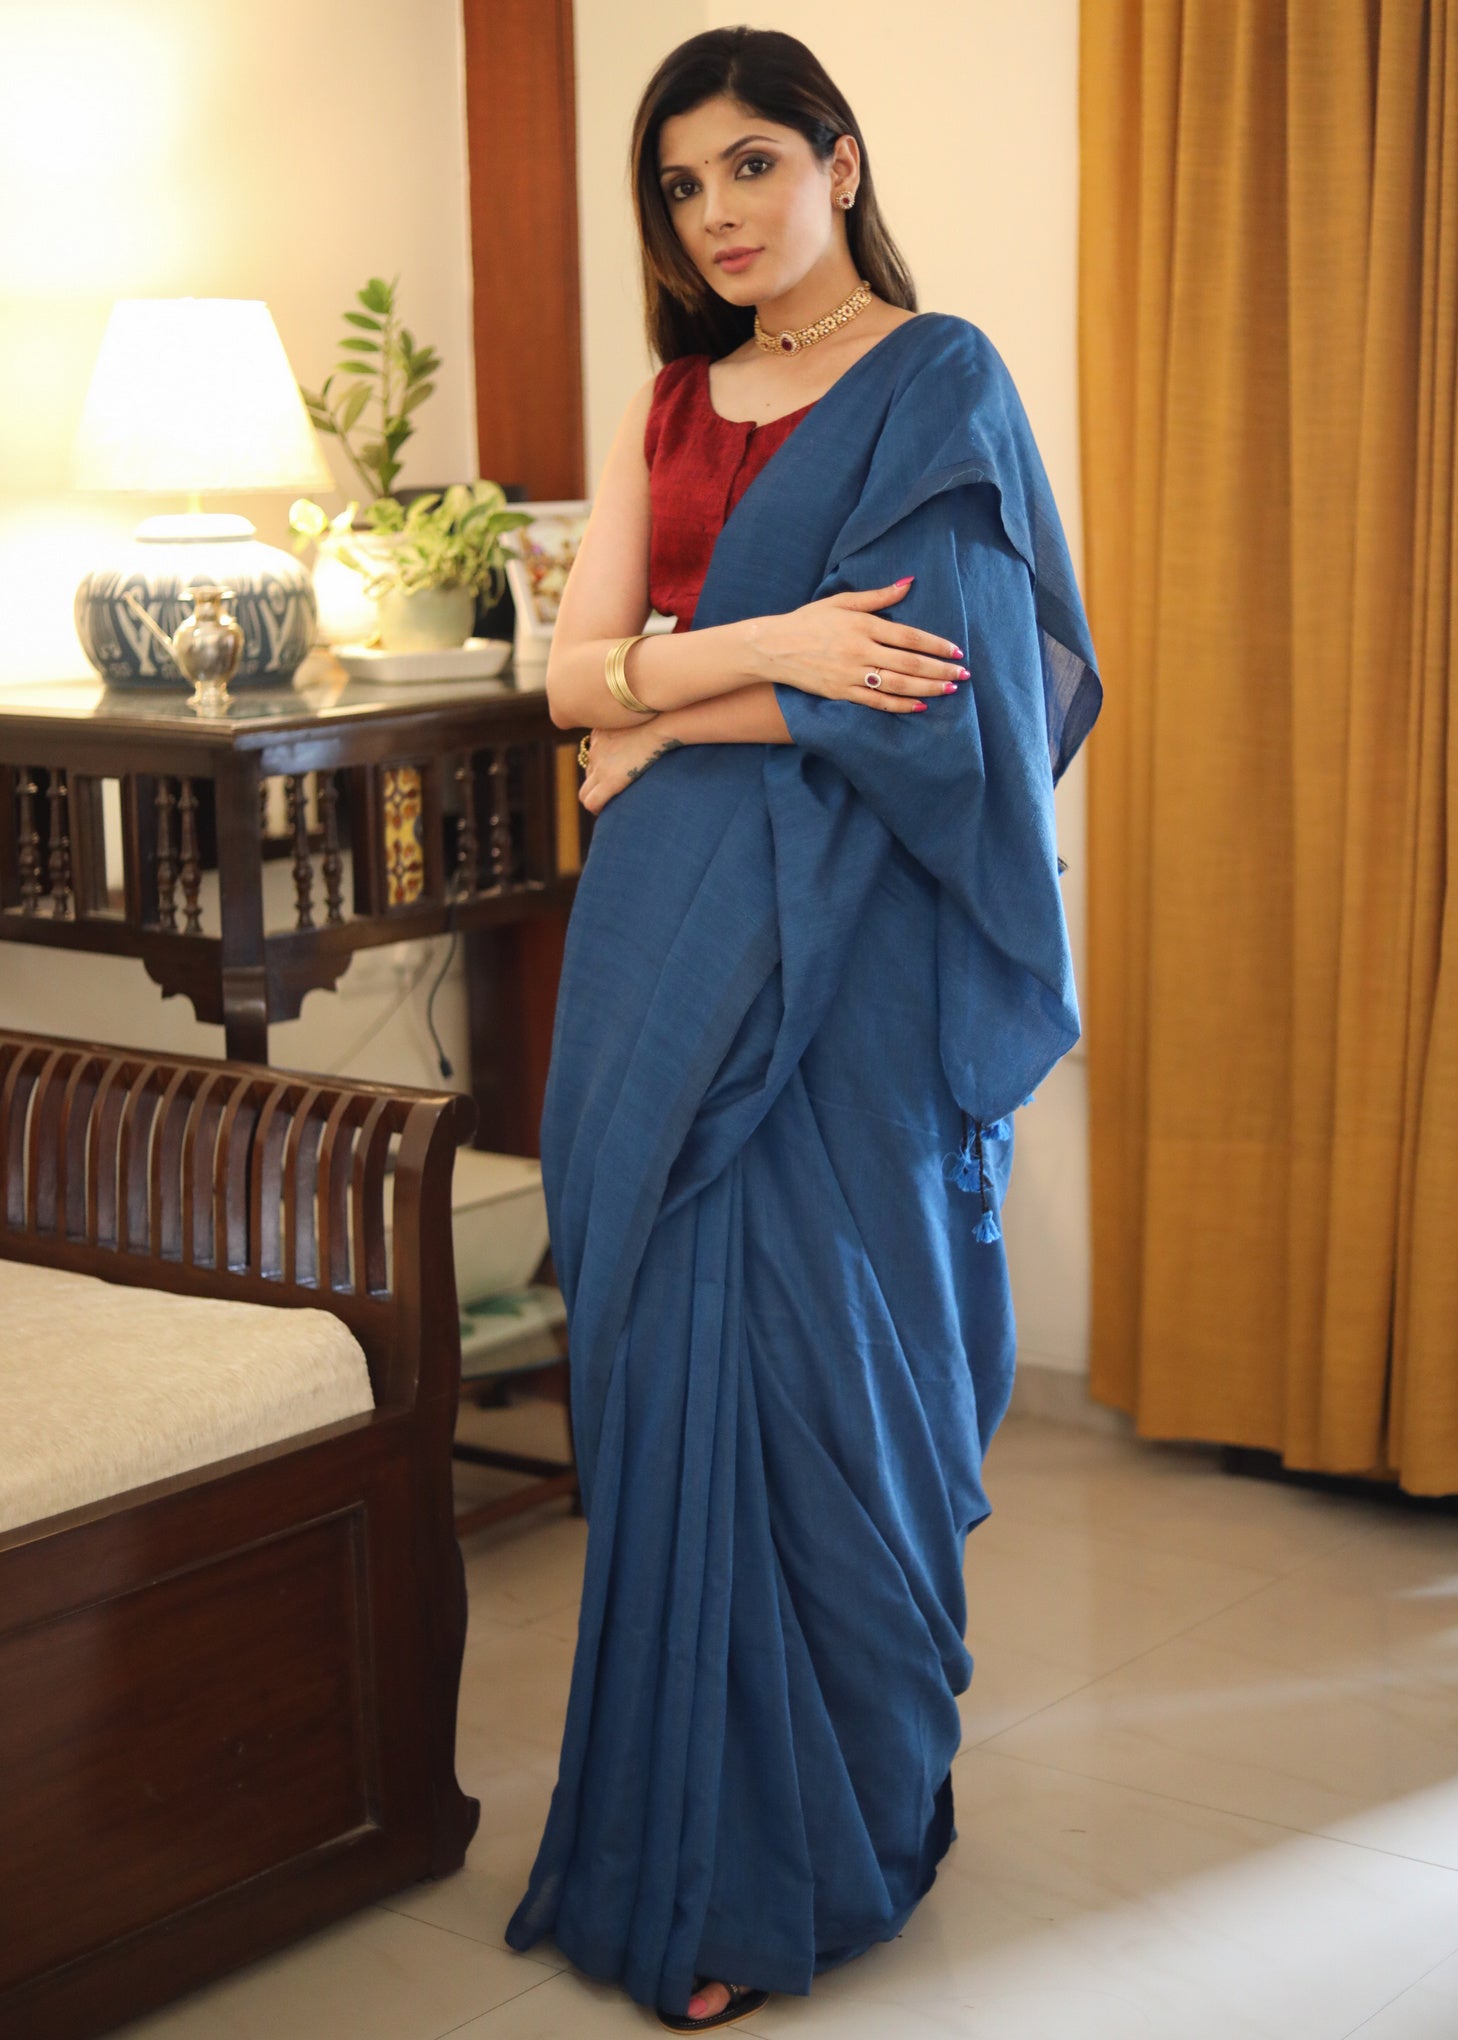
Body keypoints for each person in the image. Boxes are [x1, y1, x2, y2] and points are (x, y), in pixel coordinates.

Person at [503, 25, 1101, 2034]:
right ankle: (677, 1852)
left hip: (848, 963)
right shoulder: (668, 403)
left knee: (840, 1383)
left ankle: (816, 1853)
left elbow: (935, 687)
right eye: (681, 186)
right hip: (658, 960)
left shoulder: (941, 379)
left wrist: (661, 710)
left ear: (839, 163)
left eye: (752, 164)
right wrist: (749, 652)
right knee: (667, 1381)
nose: (717, 214)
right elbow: (568, 681)